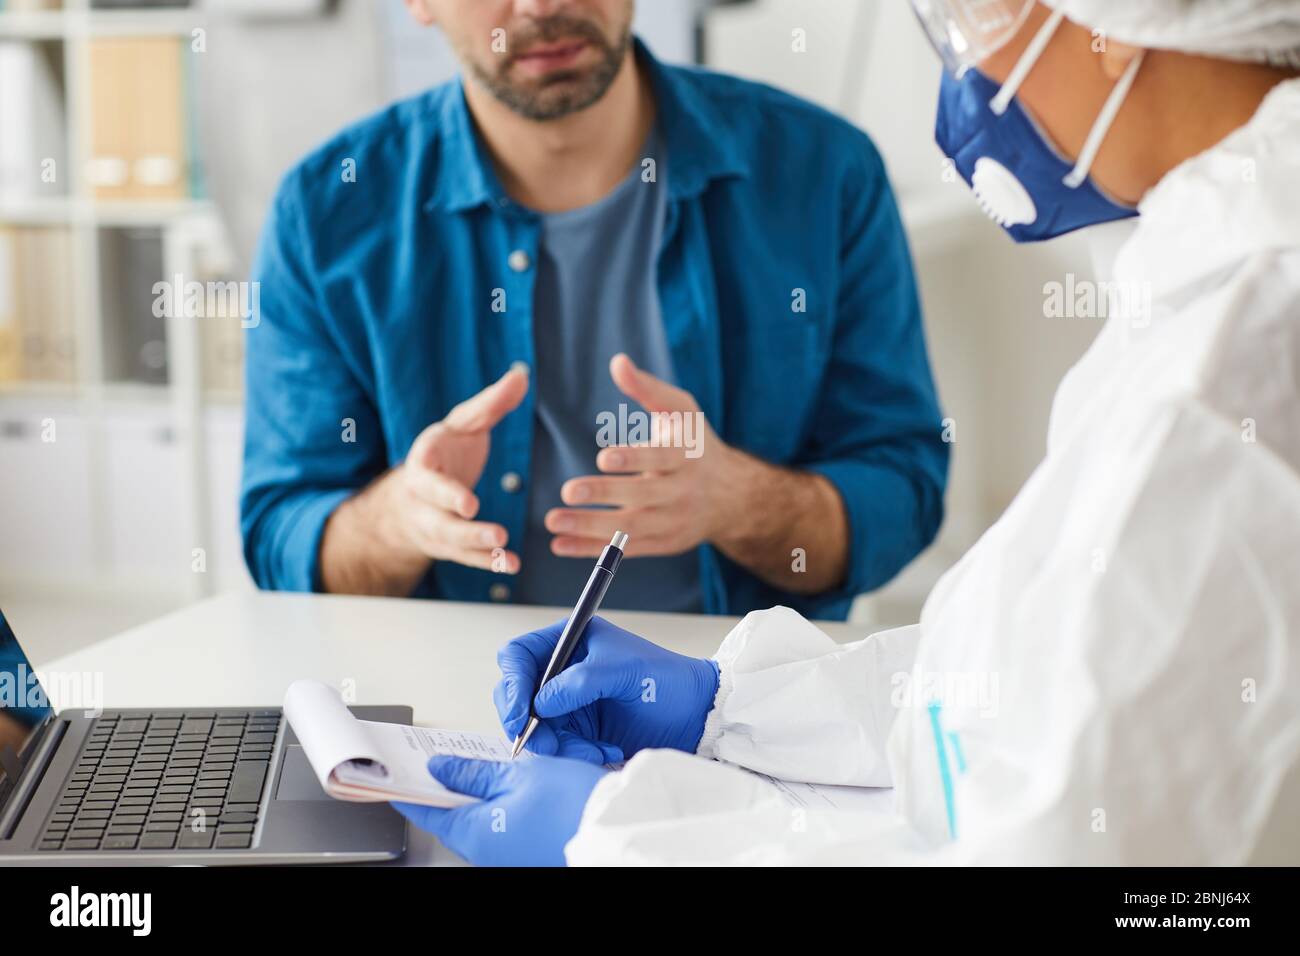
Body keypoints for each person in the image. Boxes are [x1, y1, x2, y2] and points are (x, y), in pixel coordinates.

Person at [395, 0, 1300, 865]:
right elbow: (1007, 708)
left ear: (1113, 23)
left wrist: (618, 840)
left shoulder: (1228, 395)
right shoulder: (1204, 313)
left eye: (981, 15)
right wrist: (731, 711)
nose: (970, 68)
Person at [239, 0, 948, 620]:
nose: (542, 5)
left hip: (746, 720)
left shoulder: (822, 173)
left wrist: (739, 500)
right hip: (452, 722)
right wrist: (398, 520)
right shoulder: (327, 213)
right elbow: (280, 539)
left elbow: (903, 492)